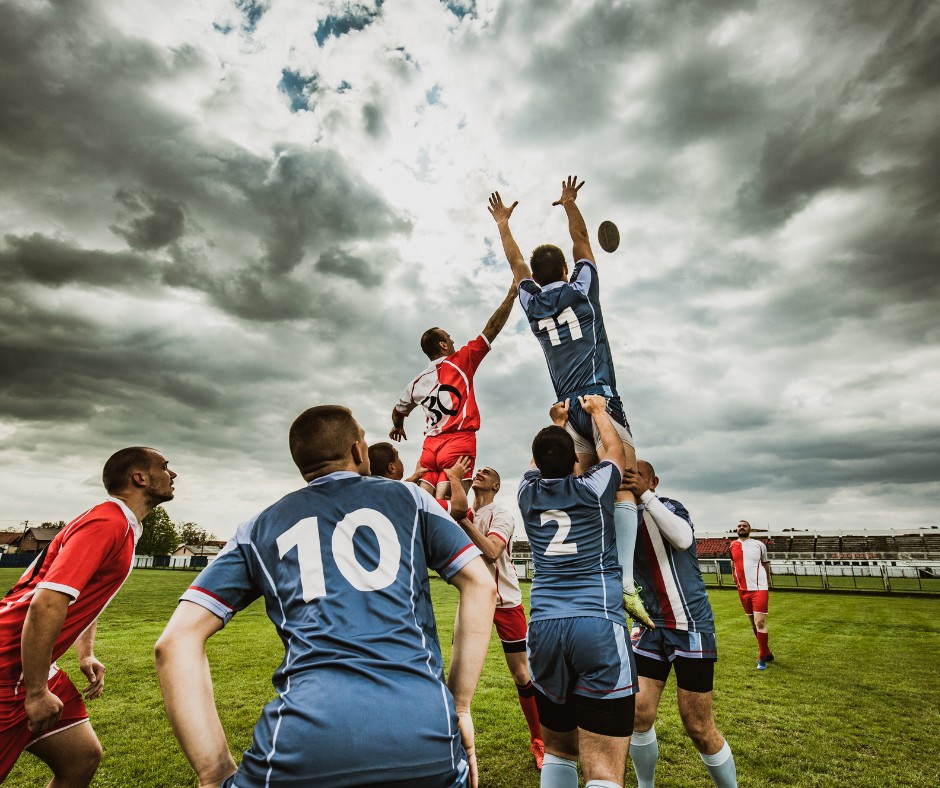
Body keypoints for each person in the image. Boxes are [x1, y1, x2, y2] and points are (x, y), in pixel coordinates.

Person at [156, 405, 497, 788]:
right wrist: (461, 705)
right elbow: (481, 585)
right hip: (425, 730)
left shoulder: (257, 527)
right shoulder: (412, 500)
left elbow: (174, 642)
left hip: (302, 742)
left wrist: (213, 771)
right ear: (357, 450)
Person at [489, 178, 652, 630]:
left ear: (535, 278)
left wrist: (503, 222)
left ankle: (577, 571)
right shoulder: (581, 288)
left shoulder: (531, 301)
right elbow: (582, 240)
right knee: (625, 484)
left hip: (565, 408)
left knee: (578, 488)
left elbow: (514, 261)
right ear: (563, 267)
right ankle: (622, 583)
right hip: (599, 400)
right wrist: (569, 205)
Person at [0, 447, 176, 786]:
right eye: (165, 467)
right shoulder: (107, 523)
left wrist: (86, 651)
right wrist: (36, 692)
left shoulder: (119, 523)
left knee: (81, 758)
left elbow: (79, 594)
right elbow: (47, 603)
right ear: (139, 478)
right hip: (10, 669)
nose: (173, 474)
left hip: (31, 665)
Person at [517, 394, 636, 788]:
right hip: (596, 623)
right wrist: (599, 413)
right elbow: (615, 451)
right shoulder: (593, 487)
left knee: (559, 751)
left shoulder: (525, 494)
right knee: (602, 766)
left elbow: (540, 460)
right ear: (574, 463)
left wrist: (557, 421)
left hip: (545, 628)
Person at [621, 460, 737, 788]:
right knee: (638, 715)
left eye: (637, 475)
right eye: (624, 475)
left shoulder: (668, 506)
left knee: (698, 726)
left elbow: (683, 538)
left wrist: (645, 496)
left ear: (653, 481)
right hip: (650, 627)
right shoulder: (620, 518)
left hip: (690, 626)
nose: (628, 479)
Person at [390, 285, 517, 498]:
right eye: (449, 338)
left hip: (430, 449)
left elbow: (398, 411)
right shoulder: (461, 361)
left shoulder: (415, 383)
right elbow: (492, 328)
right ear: (443, 344)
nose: (453, 342)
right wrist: (512, 294)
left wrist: (398, 426)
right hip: (458, 442)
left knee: (426, 507)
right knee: (448, 509)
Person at [456, 465, 544, 770]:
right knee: (460, 677)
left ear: (496, 485)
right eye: (478, 470)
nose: (480, 472)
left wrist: (462, 521)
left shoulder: (501, 514)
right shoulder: (463, 512)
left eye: (487, 472)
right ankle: (454, 741)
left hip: (505, 603)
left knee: (522, 675)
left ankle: (539, 740)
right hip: (474, 601)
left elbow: (493, 551)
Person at [369, 443, 470, 522]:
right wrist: (455, 478)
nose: (400, 460)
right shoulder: (408, 496)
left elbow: (391, 489)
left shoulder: (370, 494)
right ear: (391, 467)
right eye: (398, 456)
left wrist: (415, 476)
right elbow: (459, 509)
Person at [729, 520, 773, 669]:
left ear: (750, 529)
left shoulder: (759, 545)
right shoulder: (732, 545)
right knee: (753, 623)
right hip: (742, 589)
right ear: (736, 529)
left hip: (759, 588)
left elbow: (765, 563)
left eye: (744, 526)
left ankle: (762, 658)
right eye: (739, 526)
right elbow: (733, 562)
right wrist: (735, 579)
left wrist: (767, 581)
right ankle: (766, 651)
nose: (741, 528)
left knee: (760, 622)